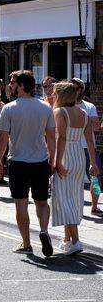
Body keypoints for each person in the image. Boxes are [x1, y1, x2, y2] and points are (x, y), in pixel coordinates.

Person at [0, 70, 56, 256]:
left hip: (18, 162)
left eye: (13, 83)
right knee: (42, 201)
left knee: (21, 204)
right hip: (40, 161)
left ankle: (26, 243)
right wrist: (52, 160)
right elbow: (52, 137)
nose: (10, 86)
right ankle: (44, 231)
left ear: (22, 86)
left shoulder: (9, 108)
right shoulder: (45, 108)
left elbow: (2, 138)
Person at [51, 81, 100, 255]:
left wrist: (56, 161)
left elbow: (61, 138)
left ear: (62, 95)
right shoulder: (84, 113)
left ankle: (76, 241)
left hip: (65, 155)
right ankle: (67, 240)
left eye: (56, 93)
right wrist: (93, 163)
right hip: (79, 156)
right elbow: (90, 140)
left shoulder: (59, 111)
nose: (53, 96)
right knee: (73, 197)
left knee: (64, 199)